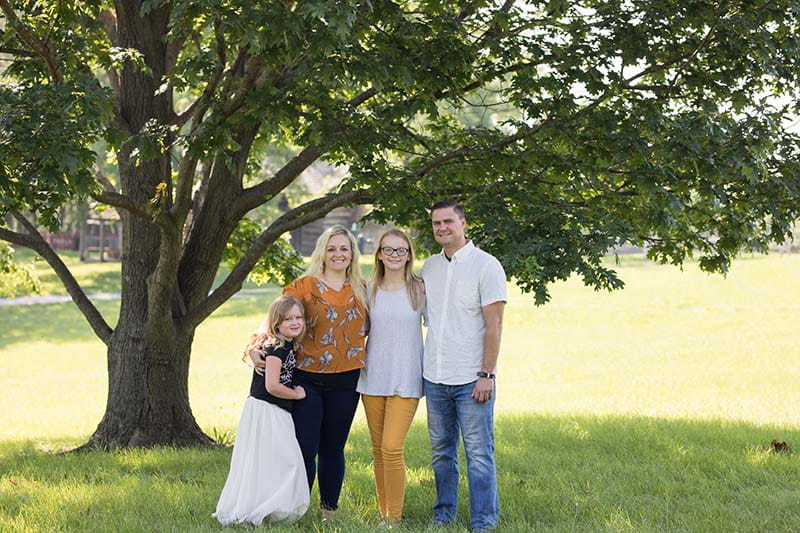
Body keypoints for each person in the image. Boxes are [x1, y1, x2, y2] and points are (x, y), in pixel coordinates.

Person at [254, 225, 368, 521]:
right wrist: (254, 350)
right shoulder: (303, 287)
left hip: (347, 380)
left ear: (352, 253)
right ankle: (296, 511)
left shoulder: (363, 289)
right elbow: (274, 322)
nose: (338, 254)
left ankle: (328, 512)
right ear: (322, 252)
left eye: (344, 248)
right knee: (305, 449)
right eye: (332, 249)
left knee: (333, 448)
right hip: (306, 380)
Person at [421, 200, 506, 532]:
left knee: (479, 455)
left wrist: (487, 374)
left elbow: (494, 326)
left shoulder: (487, 266)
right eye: (435, 223)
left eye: (447, 221)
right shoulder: (429, 267)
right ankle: (444, 514)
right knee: (441, 453)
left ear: (463, 222)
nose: (442, 228)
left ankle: (483, 521)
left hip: (472, 379)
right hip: (435, 378)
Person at [214, 295, 309, 526]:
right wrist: (296, 394)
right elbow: (272, 386)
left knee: (265, 460)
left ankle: (265, 506)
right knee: (288, 461)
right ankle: (266, 508)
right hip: (269, 410)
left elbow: (254, 346)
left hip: (264, 410)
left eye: (299, 317)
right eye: (288, 319)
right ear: (276, 323)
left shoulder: (278, 344)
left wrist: (254, 352)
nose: (295, 322)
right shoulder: (278, 351)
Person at [356, 228, 425, 524]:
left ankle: (393, 521)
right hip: (373, 379)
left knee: (392, 447)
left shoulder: (420, 289)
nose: (394, 255)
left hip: (407, 380)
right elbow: (355, 331)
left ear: (409, 254)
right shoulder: (367, 289)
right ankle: (384, 514)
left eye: (401, 250)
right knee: (378, 450)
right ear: (380, 254)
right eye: (388, 249)